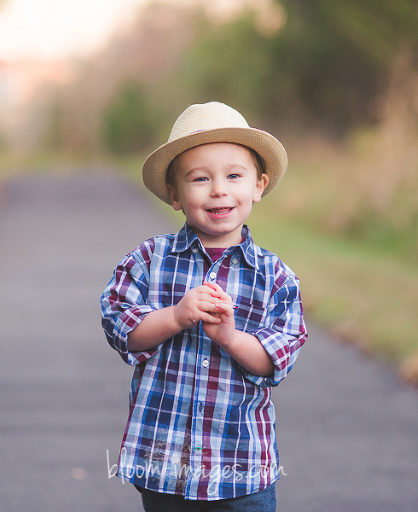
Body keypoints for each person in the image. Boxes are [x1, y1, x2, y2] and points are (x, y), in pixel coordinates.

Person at [101, 101, 307, 511]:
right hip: (165, 466)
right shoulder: (148, 260)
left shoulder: (274, 276)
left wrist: (231, 338)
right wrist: (176, 316)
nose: (219, 189)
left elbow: (278, 356)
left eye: (234, 175)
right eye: (200, 179)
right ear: (175, 195)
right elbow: (120, 327)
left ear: (258, 186)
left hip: (240, 465)